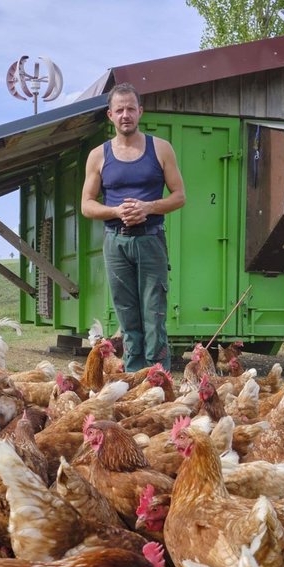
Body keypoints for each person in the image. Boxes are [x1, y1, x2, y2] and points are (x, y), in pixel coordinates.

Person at [80, 82, 186, 372]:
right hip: (116, 241)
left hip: (151, 239)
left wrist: (148, 207)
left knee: (154, 313)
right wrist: (115, 211)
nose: (125, 114)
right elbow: (86, 205)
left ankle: (157, 376)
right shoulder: (98, 155)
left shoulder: (161, 148)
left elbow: (179, 196)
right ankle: (133, 378)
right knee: (127, 316)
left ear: (140, 111)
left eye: (130, 108)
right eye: (119, 109)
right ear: (110, 115)